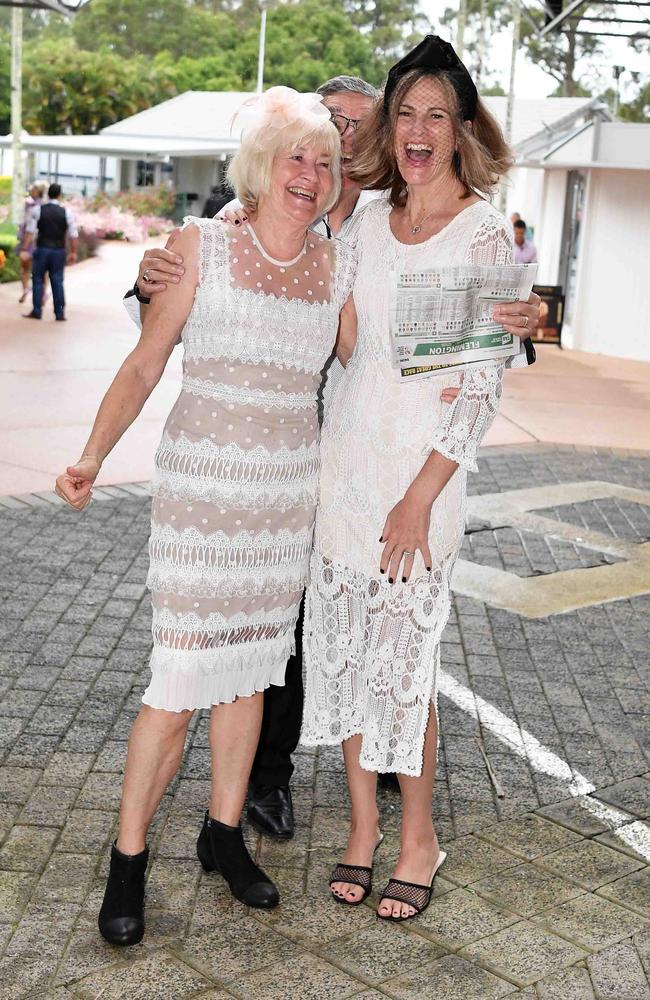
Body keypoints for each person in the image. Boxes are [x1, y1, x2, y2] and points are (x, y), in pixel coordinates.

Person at [126, 74, 541, 834]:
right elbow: (201, 271)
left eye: (354, 126)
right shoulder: (273, 210)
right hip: (287, 466)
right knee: (300, 643)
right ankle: (267, 785)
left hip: (357, 457)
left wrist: (524, 307)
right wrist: (148, 278)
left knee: (372, 648)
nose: (342, 141)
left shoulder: (381, 218)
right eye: (332, 126)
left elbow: (474, 346)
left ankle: (391, 803)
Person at [54, 87, 355, 946]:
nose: (310, 173)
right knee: (177, 685)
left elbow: (388, 357)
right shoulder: (199, 250)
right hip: (200, 501)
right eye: (295, 157)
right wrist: (90, 455)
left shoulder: (340, 270)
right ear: (260, 169)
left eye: (324, 163)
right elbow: (146, 362)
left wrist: (505, 327)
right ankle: (128, 858)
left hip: (282, 505)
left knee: (254, 673)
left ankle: (223, 836)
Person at [300, 35, 530, 923]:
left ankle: (418, 838)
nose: (419, 130)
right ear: (391, 128)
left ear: (461, 127)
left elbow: (479, 389)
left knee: (403, 663)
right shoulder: (364, 223)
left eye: (438, 114)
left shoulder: (486, 232)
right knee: (351, 649)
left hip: (421, 476)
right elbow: (349, 342)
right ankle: (362, 830)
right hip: (348, 461)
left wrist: (418, 498)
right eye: (407, 113)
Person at [22, 182, 78, 322]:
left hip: (42, 249)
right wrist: (73, 252)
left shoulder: (38, 210)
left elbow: (30, 231)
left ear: (49, 194)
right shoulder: (67, 212)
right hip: (58, 250)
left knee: (37, 279)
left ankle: (37, 311)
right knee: (57, 280)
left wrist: (24, 248)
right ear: (59, 195)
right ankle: (59, 313)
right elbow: (73, 234)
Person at [17, 183, 45, 305]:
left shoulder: (35, 207)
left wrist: (24, 245)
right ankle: (27, 290)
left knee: (28, 267)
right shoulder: (28, 204)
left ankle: (39, 293)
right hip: (35, 240)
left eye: (33, 189)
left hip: (32, 241)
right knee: (27, 267)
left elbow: (30, 229)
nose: (31, 191)